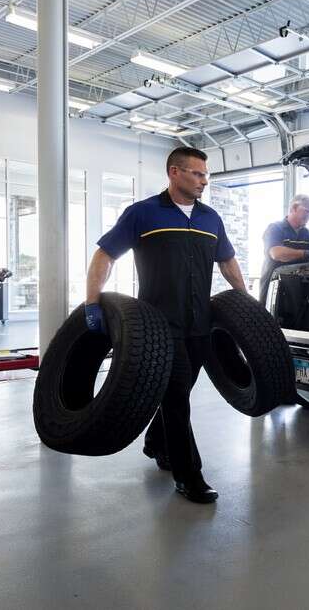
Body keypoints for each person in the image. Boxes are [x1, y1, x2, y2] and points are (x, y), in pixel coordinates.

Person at [84, 146, 247, 504]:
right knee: (177, 400)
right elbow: (105, 254)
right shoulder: (143, 213)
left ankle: (157, 443)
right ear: (174, 173)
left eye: (206, 175)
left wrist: (247, 302)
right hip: (159, 327)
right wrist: (93, 300)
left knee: (180, 393)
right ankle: (189, 476)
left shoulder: (211, 219)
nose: (204, 180)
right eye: (197, 173)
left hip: (200, 325)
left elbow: (228, 262)